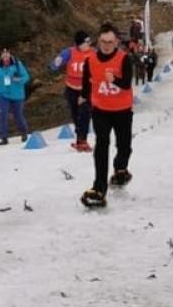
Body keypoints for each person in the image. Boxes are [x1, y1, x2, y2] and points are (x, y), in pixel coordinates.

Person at [81, 22, 134, 208]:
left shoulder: (123, 59)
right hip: (101, 110)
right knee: (102, 145)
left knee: (124, 145)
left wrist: (115, 80)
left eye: (110, 42)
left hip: (122, 110)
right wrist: (83, 97)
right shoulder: (91, 60)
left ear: (116, 42)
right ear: (98, 41)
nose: (106, 45)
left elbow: (127, 83)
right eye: (103, 41)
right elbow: (87, 82)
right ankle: (99, 187)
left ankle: (120, 168)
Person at [52, 31, 94, 151]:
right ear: (79, 43)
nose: (89, 44)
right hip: (71, 88)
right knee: (76, 115)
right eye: (86, 42)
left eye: (89, 41)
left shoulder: (93, 53)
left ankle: (83, 140)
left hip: (86, 89)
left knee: (84, 114)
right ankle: (80, 138)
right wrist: (56, 63)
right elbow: (59, 59)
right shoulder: (70, 52)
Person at [0, 47, 32, 145]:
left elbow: (26, 77)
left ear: (10, 54)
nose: (5, 56)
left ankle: (24, 132)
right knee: (3, 114)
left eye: (7, 53)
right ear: (0, 55)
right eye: (3, 54)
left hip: (17, 94)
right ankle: (4, 137)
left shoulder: (17, 64)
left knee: (18, 115)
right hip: (3, 94)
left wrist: (19, 80)